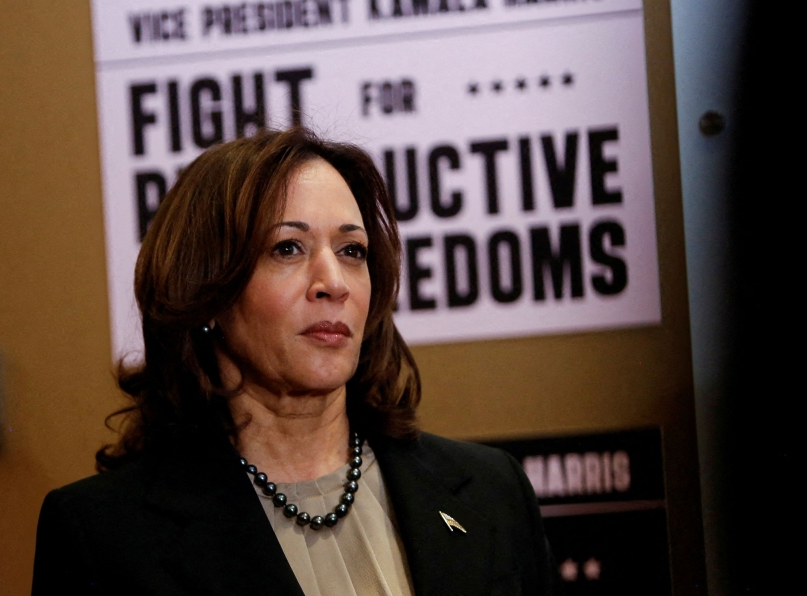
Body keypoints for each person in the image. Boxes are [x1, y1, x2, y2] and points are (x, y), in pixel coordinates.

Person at [32, 128, 554, 595]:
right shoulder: (101, 534)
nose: (333, 282)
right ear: (206, 290)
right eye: (288, 248)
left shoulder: (490, 490)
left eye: (352, 250)